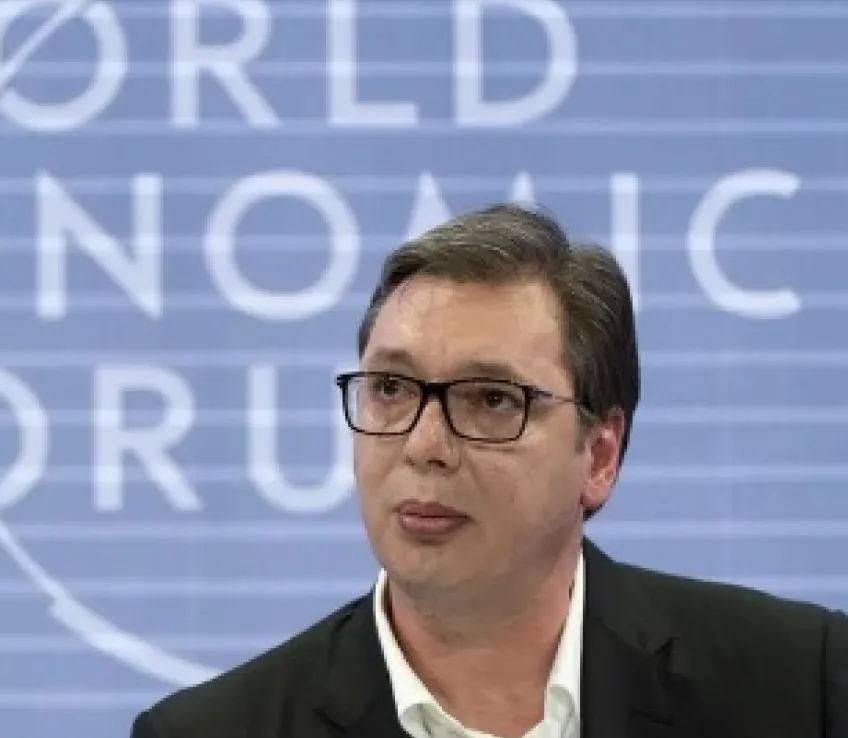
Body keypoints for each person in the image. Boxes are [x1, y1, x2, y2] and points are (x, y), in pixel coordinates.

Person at [128, 203, 848, 738]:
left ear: (599, 456)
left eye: (492, 400)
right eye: (391, 388)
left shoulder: (797, 686)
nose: (425, 444)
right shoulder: (212, 732)